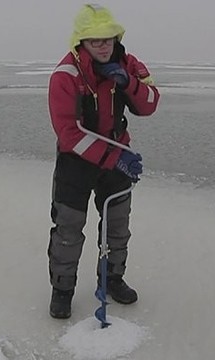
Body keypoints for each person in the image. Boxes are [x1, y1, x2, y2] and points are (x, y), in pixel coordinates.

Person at [47, 4, 160, 319]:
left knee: (117, 227)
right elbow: (69, 134)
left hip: (117, 157)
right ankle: (62, 289)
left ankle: (112, 280)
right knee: (68, 229)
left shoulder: (129, 64)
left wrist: (128, 83)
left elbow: (151, 103)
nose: (102, 44)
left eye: (107, 37)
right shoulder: (65, 75)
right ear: (81, 41)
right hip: (77, 162)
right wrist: (115, 158)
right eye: (94, 39)